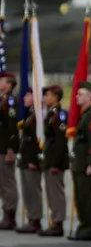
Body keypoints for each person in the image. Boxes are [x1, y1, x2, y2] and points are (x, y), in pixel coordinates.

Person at [68, 81, 91, 241]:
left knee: (87, 198)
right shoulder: (85, 114)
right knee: (80, 198)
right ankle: (84, 225)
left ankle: (89, 228)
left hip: (86, 165)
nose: (76, 97)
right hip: (79, 163)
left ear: (90, 97)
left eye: (80, 94)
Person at [38, 85, 69, 237]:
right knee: (50, 192)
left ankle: (58, 223)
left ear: (55, 97)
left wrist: (55, 163)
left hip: (55, 161)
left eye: (47, 96)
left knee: (56, 193)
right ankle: (54, 220)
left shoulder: (60, 115)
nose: (44, 99)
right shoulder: (51, 114)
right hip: (49, 159)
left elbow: (60, 141)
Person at [15, 89, 42, 234]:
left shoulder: (38, 115)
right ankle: (31, 218)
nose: (24, 98)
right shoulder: (30, 113)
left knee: (33, 191)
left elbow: (37, 141)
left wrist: (33, 160)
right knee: (27, 191)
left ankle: (35, 220)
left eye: (28, 95)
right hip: (25, 158)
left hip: (32, 160)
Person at [0, 71, 19, 230]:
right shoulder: (2, 99)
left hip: (5, 148)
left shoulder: (11, 101)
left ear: (9, 83)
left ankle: (9, 215)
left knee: (7, 183)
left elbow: (12, 126)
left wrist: (11, 149)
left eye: (2, 80)